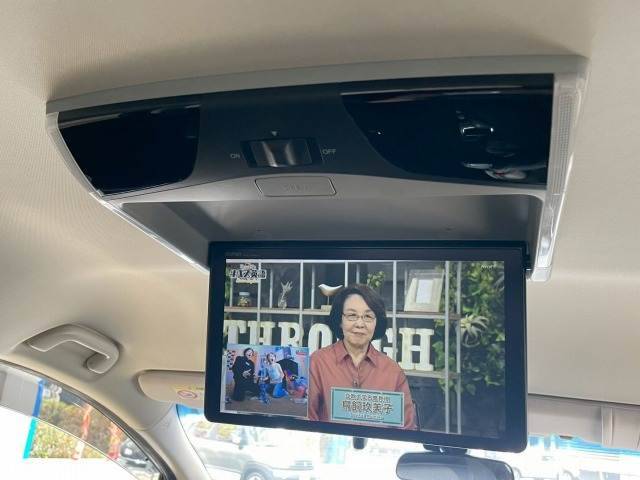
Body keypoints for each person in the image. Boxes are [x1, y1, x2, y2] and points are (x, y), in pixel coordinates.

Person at [308, 284, 416, 429]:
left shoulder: (393, 371)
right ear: (340, 320)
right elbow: (307, 421)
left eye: (368, 316)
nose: (360, 324)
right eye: (352, 315)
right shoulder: (318, 363)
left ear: (377, 322)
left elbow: (406, 430)